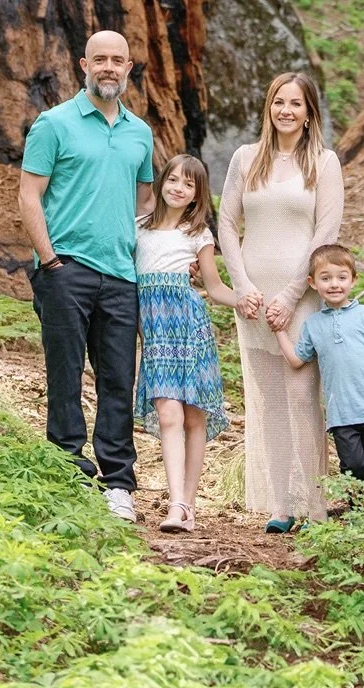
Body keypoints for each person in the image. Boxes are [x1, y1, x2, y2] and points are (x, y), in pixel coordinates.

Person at [18, 30, 153, 523]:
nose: (109, 68)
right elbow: (29, 195)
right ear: (83, 65)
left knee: (119, 379)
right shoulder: (54, 124)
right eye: (100, 60)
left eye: (118, 60)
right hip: (65, 269)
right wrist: (50, 262)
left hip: (121, 275)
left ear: (129, 67)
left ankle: (119, 482)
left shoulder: (141, 132)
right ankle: (68, 470)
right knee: (65, 374)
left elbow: (144, 202)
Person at [217, 71, 344, 533]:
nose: (285, 111)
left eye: (295, 104)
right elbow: (227, 224)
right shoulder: (246, 158)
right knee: (267, 398)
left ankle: (312, 504)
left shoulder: (323, 163)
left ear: (309, 113)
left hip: (300, 293)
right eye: (278, 102)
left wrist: (293, 294)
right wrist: (242, 285)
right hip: (252, 295)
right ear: (268, 108)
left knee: (299, 394)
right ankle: (279, 505)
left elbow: (326, 232)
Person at [134, 155, 241, 532]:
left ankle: (186, 505)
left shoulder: (198, 235)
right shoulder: (138, 229)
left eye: (189, 184)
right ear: (162, 182)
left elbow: (213, 286)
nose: (179, 188)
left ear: (197, 196)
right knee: (169, 414)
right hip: (156, 333)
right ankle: (177, 501)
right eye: (174, 180)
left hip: (190, 327)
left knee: (194, 416)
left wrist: (243, 297)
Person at [274, 244, 364, 501]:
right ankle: (356, 508)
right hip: (341, 414)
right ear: (313, 283)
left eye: (342, 277)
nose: (334, 284)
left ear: (353, 280)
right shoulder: (314, 324)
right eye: (325, 278)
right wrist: (279, 331)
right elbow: (297, 360)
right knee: (352, 465)